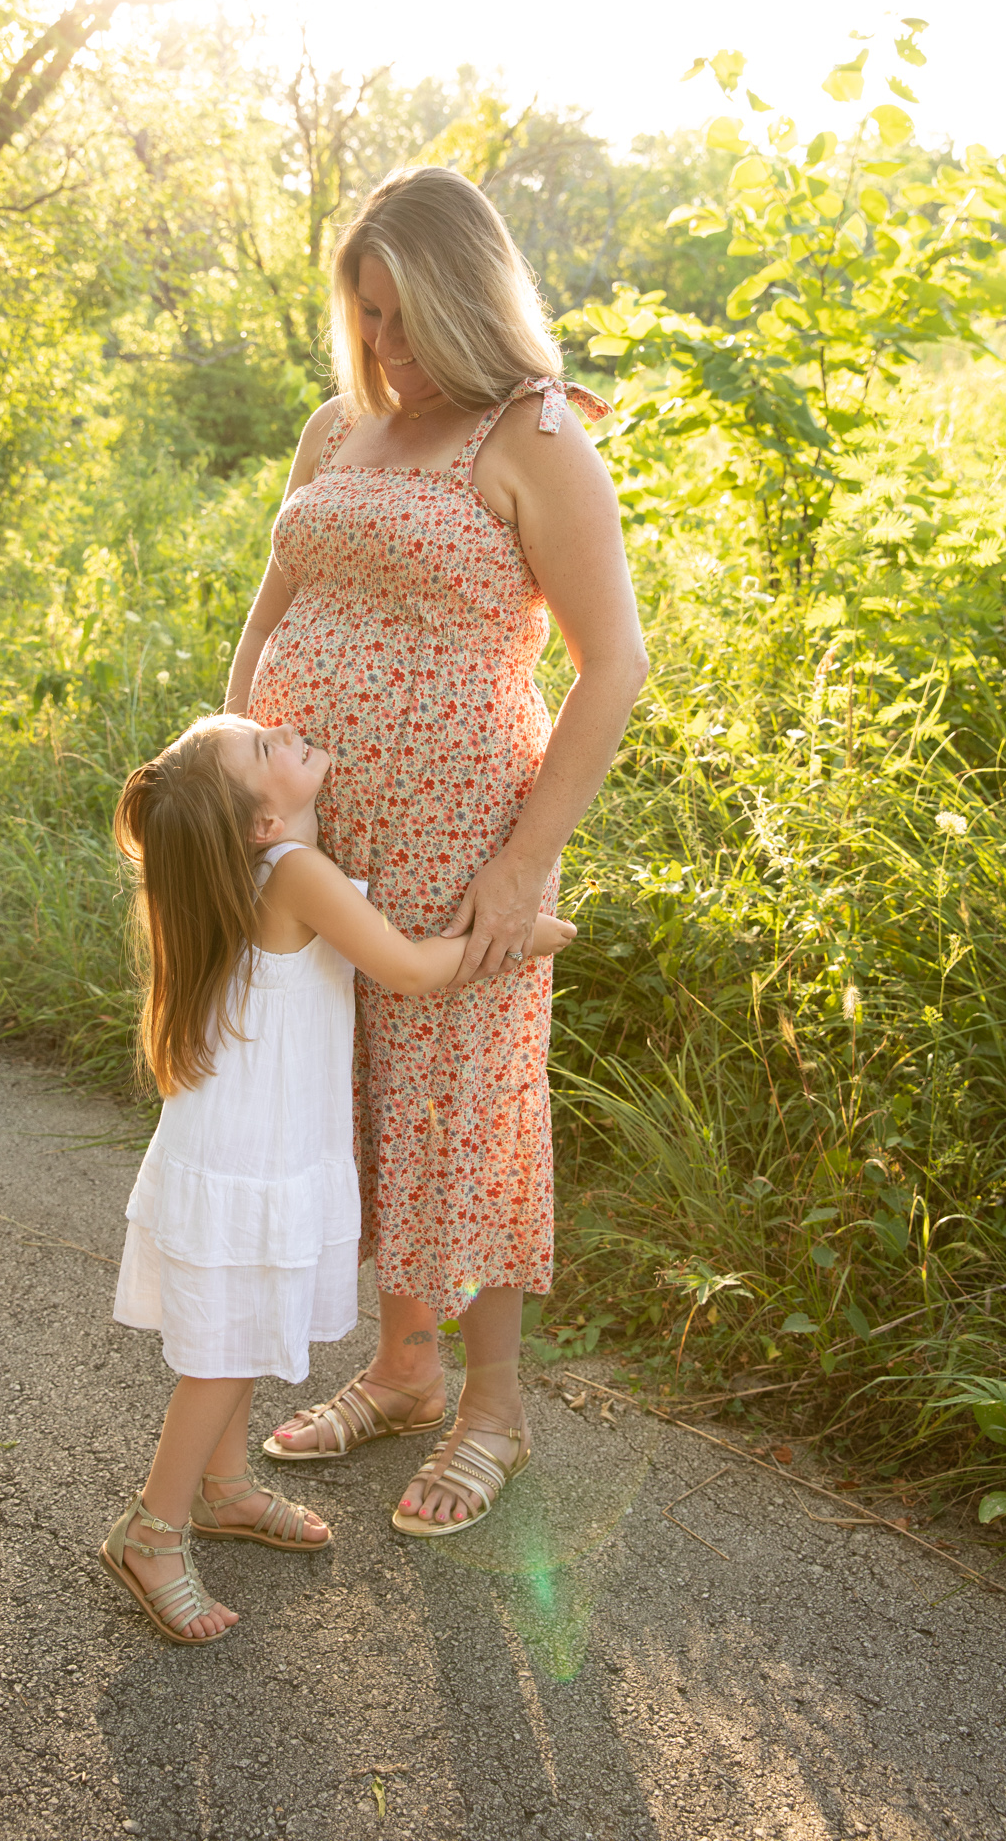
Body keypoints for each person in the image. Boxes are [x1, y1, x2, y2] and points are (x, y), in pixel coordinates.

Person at [229, 166, 649, 1535]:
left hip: (457, 831)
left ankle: (492, 1410)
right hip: (309, 831)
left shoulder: (531, 437)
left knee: (457, 1112)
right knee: (353, 1101)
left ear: (469, 302)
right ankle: (402, 1369)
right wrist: (239, 760)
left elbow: (611, 668)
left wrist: (523, 865)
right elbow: (273, 599)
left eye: (406, 321)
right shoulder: (339, 424)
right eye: (365, 320)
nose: (387, 350)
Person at [101, 711, 575, 1642]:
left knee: (242, 1325)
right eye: (260, 749)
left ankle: (226, 1489)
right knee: (225, 1352)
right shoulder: (294, 872)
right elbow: (402, 967)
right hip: (257, 1152)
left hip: (241, 1142)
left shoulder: (240, 872)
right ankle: (150, 1532)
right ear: (259, 822)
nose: (282, 732)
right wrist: (521, 939)